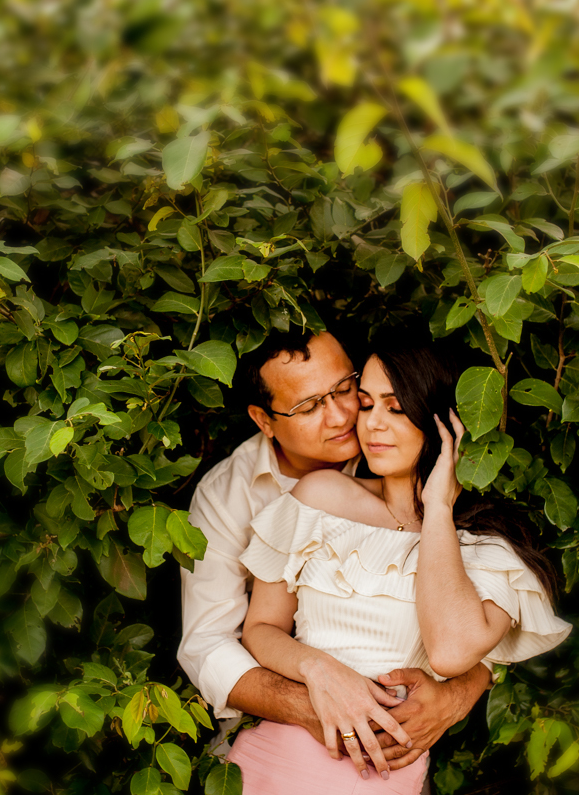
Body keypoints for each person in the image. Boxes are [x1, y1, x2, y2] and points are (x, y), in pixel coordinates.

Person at [226, 339, 572, 794]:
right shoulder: (320, 498)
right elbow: (261, 628)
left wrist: (437, 510)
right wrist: (320, 670)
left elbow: (450, 653)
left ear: (447, 419)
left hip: (378, 781)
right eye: (366, 405)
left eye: (396, 408)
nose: (371, 425)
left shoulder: (490, 547)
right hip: (269, 764)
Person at [177, 331, 492, 778]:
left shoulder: (403, 452)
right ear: (263, 420)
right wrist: (323, 694)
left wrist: (455, 697)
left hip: (396, 756)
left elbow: (489, 613)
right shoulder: (228, 497)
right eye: (308, 407)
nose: (345, 415)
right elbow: (209, 643)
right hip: (282, 740)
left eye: (347, 390)